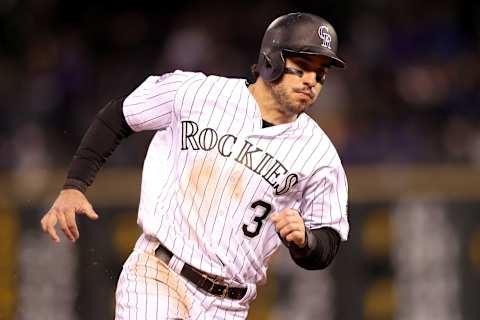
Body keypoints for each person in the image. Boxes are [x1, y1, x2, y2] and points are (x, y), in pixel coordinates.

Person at [40, 12, 350, 320]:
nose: (312, 81)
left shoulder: (319, 154)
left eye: (320, 75)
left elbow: (328, 241)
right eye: (303, 68)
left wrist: (305, 241)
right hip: (158, 272)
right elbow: (118, 116)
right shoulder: (196, 93)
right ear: (272, 60)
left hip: (229, 305)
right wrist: (74, 185)